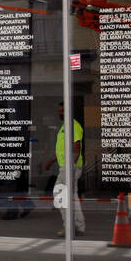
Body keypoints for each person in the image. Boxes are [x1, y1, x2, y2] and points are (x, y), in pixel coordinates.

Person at [43, 100, 85, 235]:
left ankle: (69, 226)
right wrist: (52, 161)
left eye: (63, 111)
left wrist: (71, 166)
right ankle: (78, 226)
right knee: (72, 196)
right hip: (66, 166)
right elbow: (64, 149)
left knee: (60, 193)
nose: (60, 113)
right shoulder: (64, 127)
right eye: (60, 111)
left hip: (70, 166)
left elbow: (76, 148)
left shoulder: (73, 126)